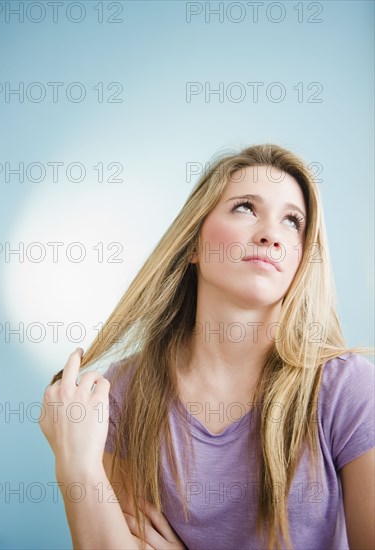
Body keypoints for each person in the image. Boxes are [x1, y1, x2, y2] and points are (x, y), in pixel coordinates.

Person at [39, 143, 374, 550]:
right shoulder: (126, 390)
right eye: (245, 208)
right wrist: (76, 467)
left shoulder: (348, 388)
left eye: (292, 220)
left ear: (302, 260)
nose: (270, 233)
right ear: (194, 244)